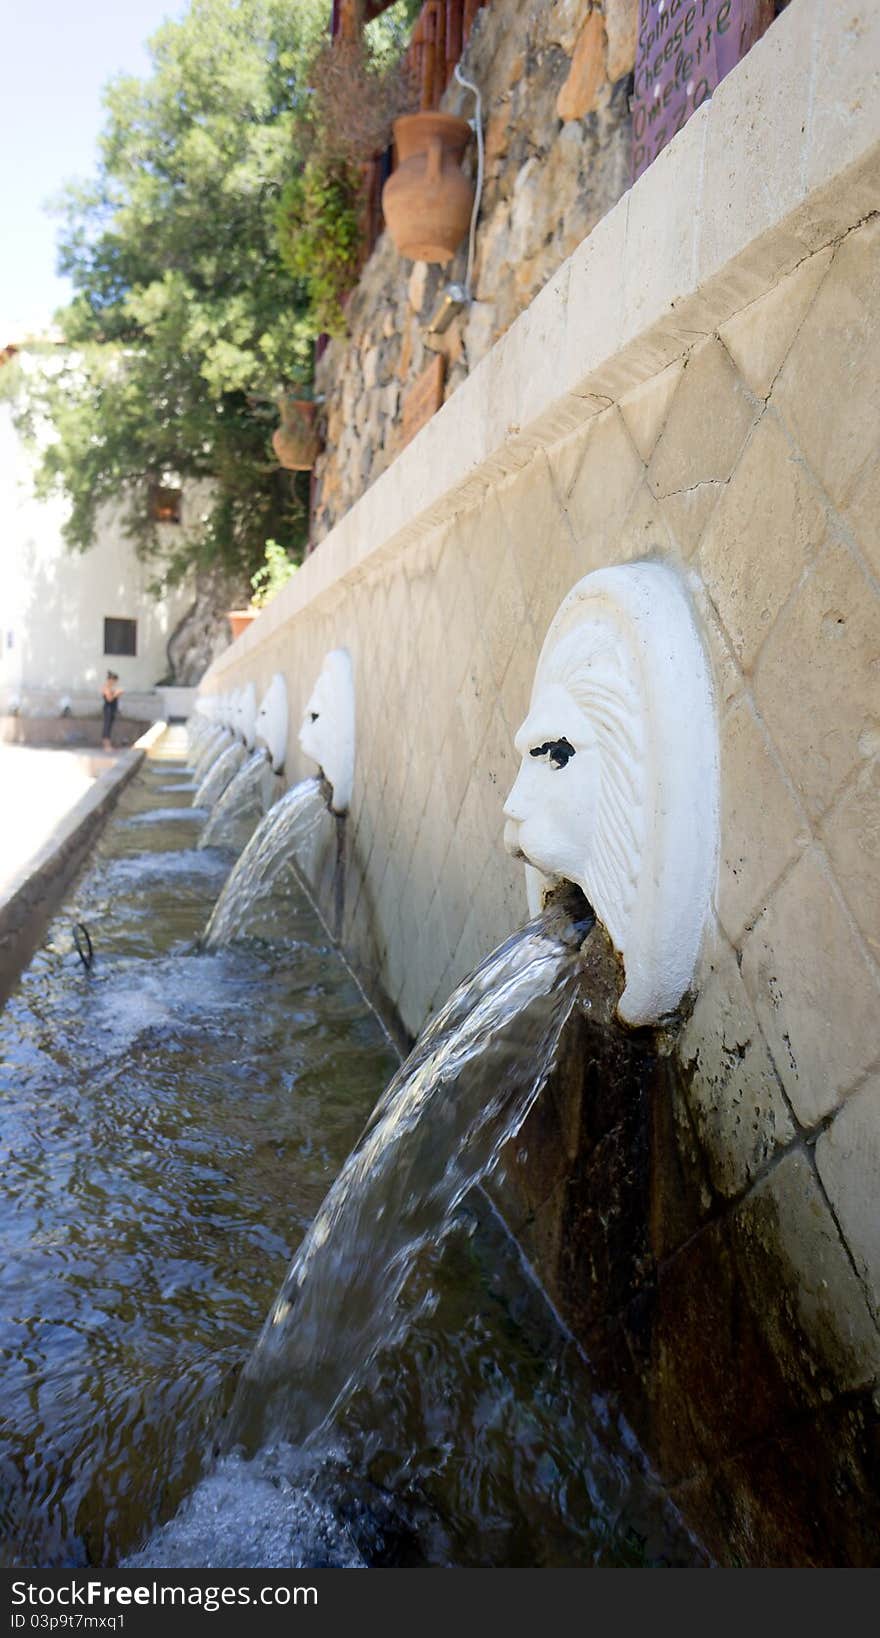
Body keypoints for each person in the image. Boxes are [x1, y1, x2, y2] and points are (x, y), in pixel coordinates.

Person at [101, 671, 122, 751]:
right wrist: (116, 694)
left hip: (112, 709)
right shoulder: (106, 688)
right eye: (114, 680)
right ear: (110, 680)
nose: (115, 682)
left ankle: (108, 744)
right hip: (108, 709)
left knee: (109, 726)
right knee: (107, 726)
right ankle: (106, 745)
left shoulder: (112, 688)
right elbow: (109, 699)